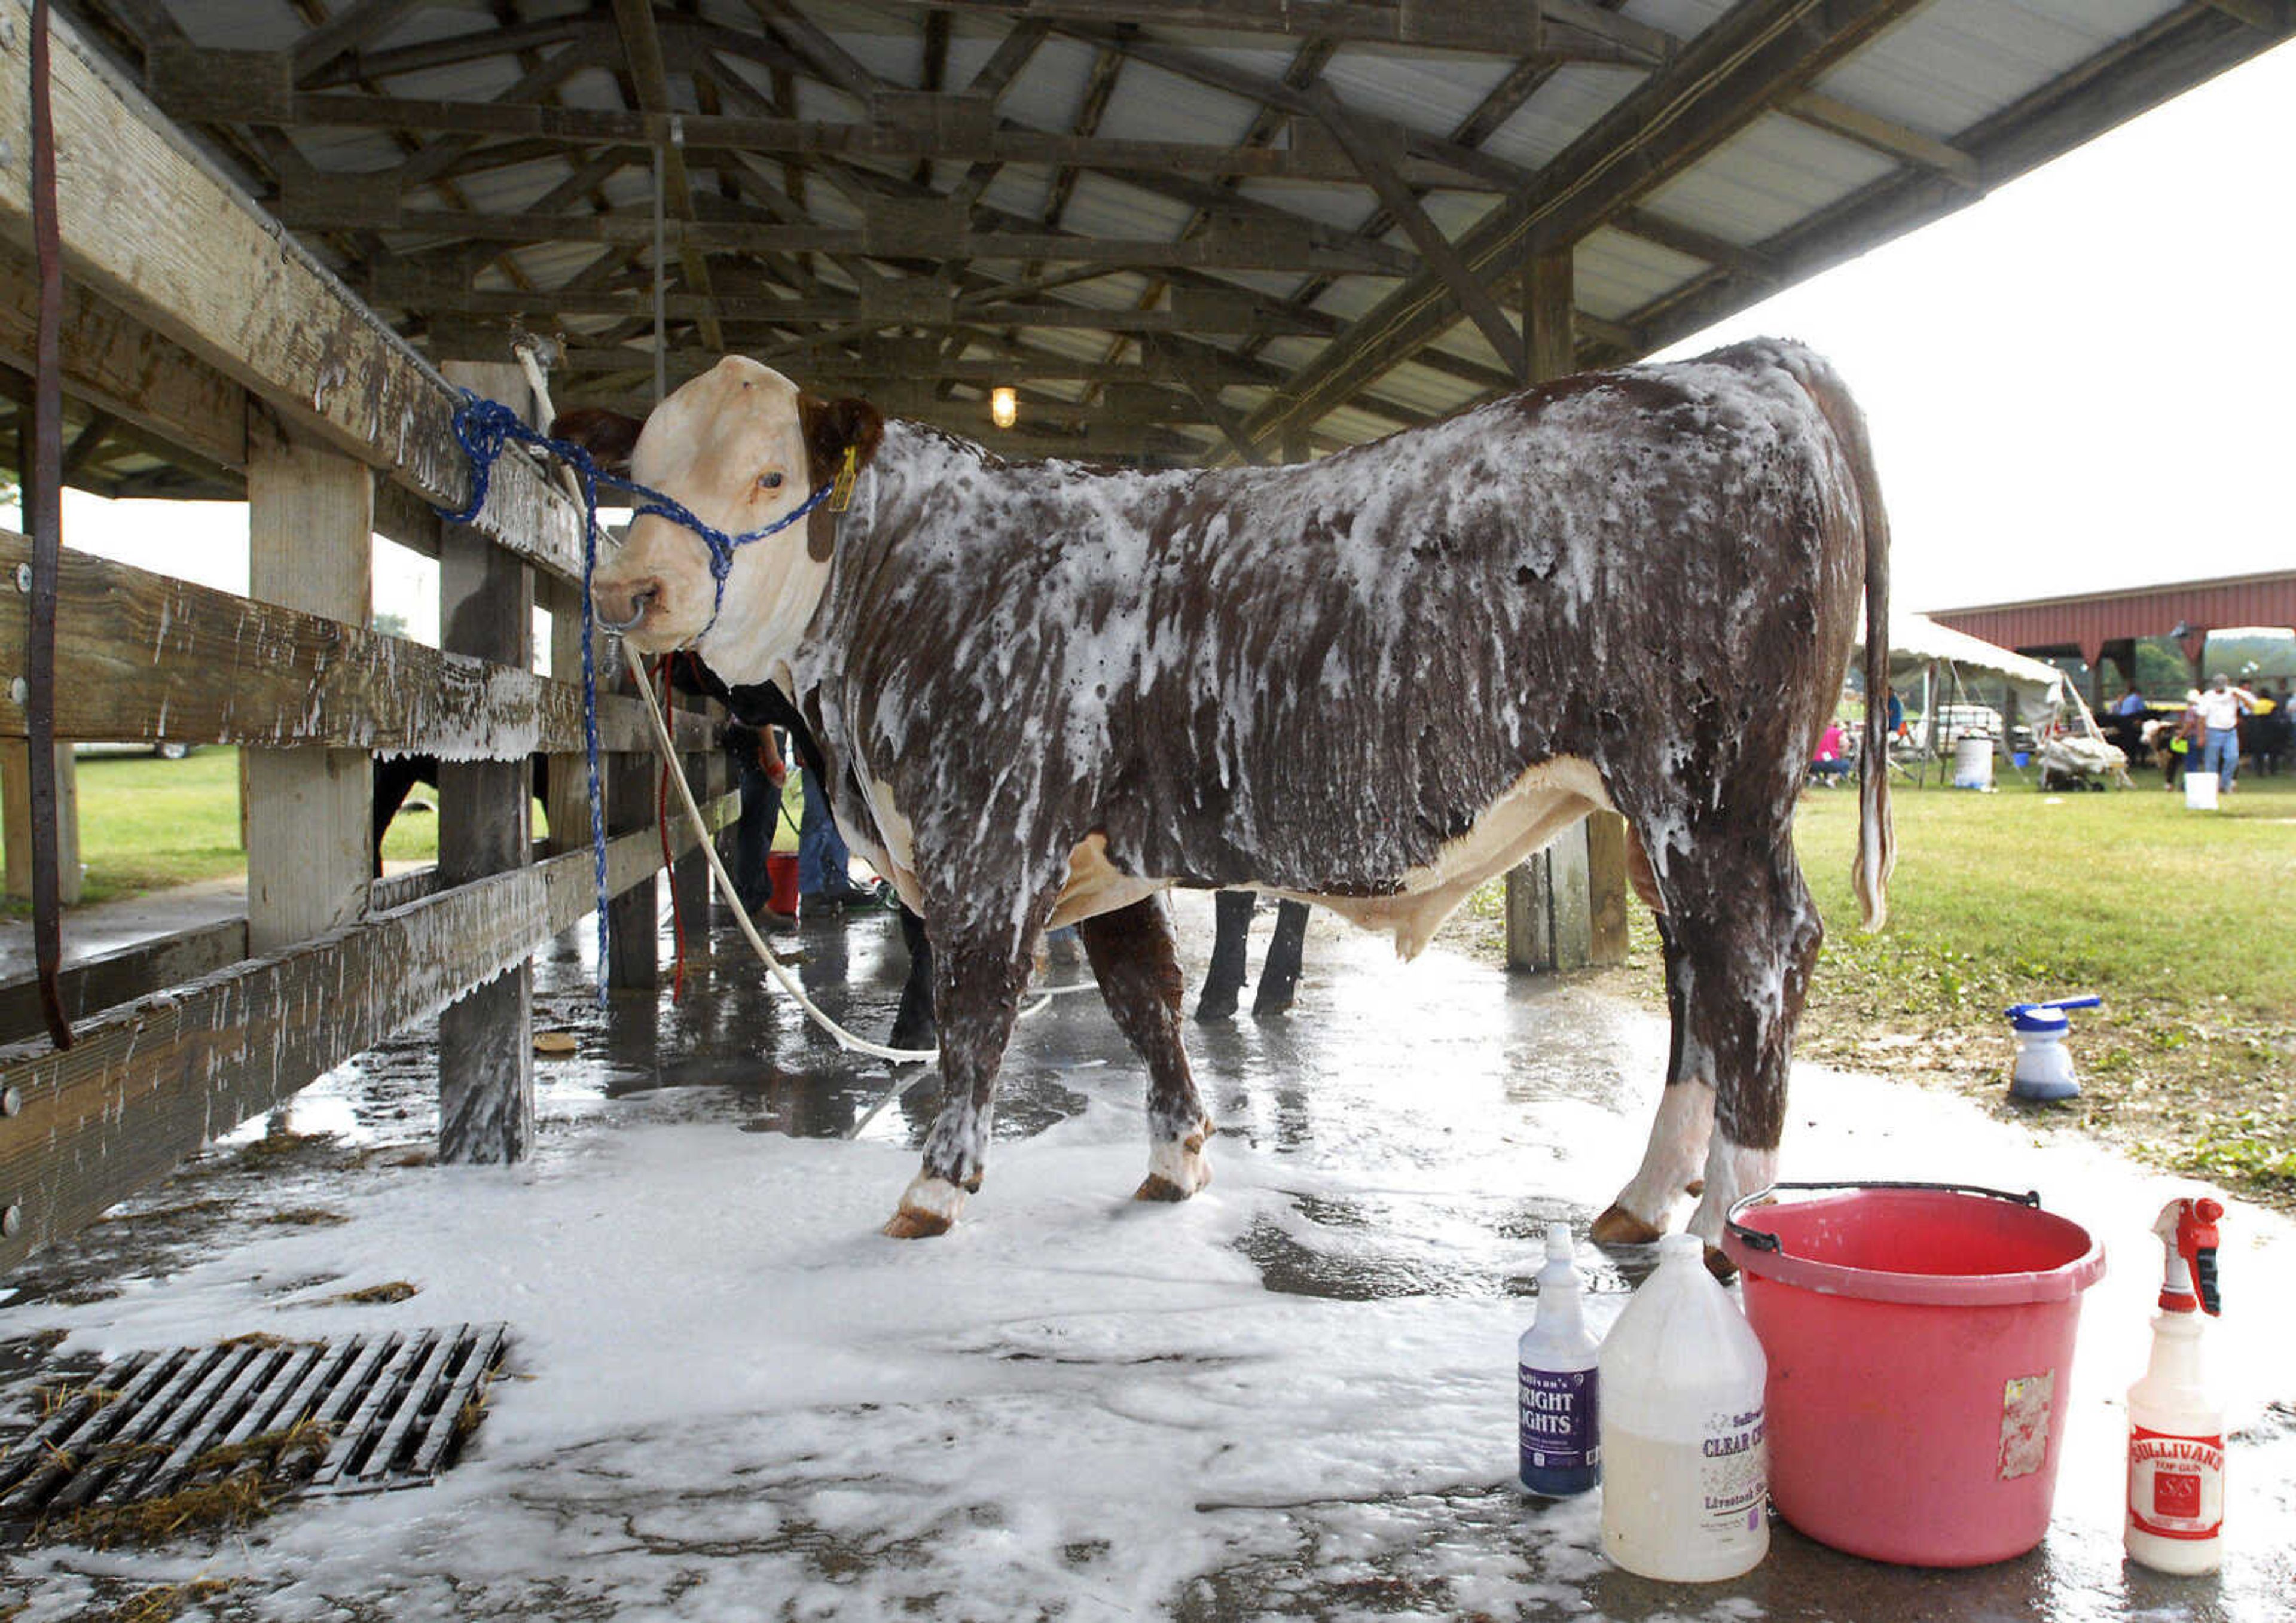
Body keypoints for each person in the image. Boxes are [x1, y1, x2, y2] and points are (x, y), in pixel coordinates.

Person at [798, 759, 880, 910]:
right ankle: (811, 891)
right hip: (815, 750)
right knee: (818, 819)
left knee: (841, 818)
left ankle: (837, 884)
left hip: (842, 755)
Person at [2191, 672, 2258, 792]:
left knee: (2233, 758)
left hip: (2230, 731)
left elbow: (2252, 706)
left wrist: (2240, 697)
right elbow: (2202, 718)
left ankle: (2224, 784)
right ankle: (2210, 787)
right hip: (2213, 731)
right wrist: (2201, 736)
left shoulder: (2234, 692)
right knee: (2212, 761)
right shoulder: (2208, 696)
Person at [1809, 718, 1852, 785]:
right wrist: (1842, 755)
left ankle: (1814, 777)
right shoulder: (1837, 732)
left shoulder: (1814, 731)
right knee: (1846, 764)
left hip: (1814, 764)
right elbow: (1846, 744)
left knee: (1808, 765)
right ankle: (1831, 780)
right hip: (1832, 763)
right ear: (1833, 722)